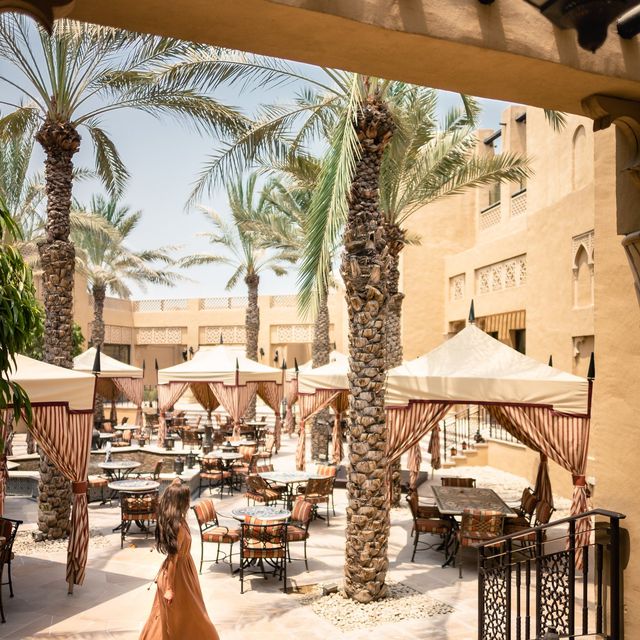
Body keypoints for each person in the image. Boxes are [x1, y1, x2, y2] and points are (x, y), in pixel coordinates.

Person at [140, 478, 220, 639]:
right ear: (180, 502)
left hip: (185, 572)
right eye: (186, 499)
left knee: (175, 617)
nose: (189, 502)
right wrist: (169, 588)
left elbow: (169, 492)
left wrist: (176, 484)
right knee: (193, 616)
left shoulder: (178, 520)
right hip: (177, 577)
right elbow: (173, 559)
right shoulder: (177, 528)